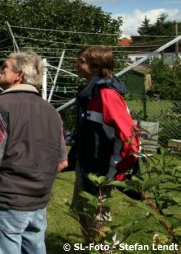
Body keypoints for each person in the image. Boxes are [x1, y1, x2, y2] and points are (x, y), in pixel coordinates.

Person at [0, 52, 64, 254]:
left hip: (5, 203)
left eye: (4, 66)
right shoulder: (52, 112)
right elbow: (61, 162)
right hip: (38, 202)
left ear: (18, 75)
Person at [72, 46, 139, 241]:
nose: (76, 64)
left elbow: (129, 138)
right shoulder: (90, 93)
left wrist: (112, 171)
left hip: (99, 171)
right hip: (87, 166)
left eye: (81, 61)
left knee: (98, 221)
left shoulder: (106, 95)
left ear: (95, 67)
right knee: (82, 210)